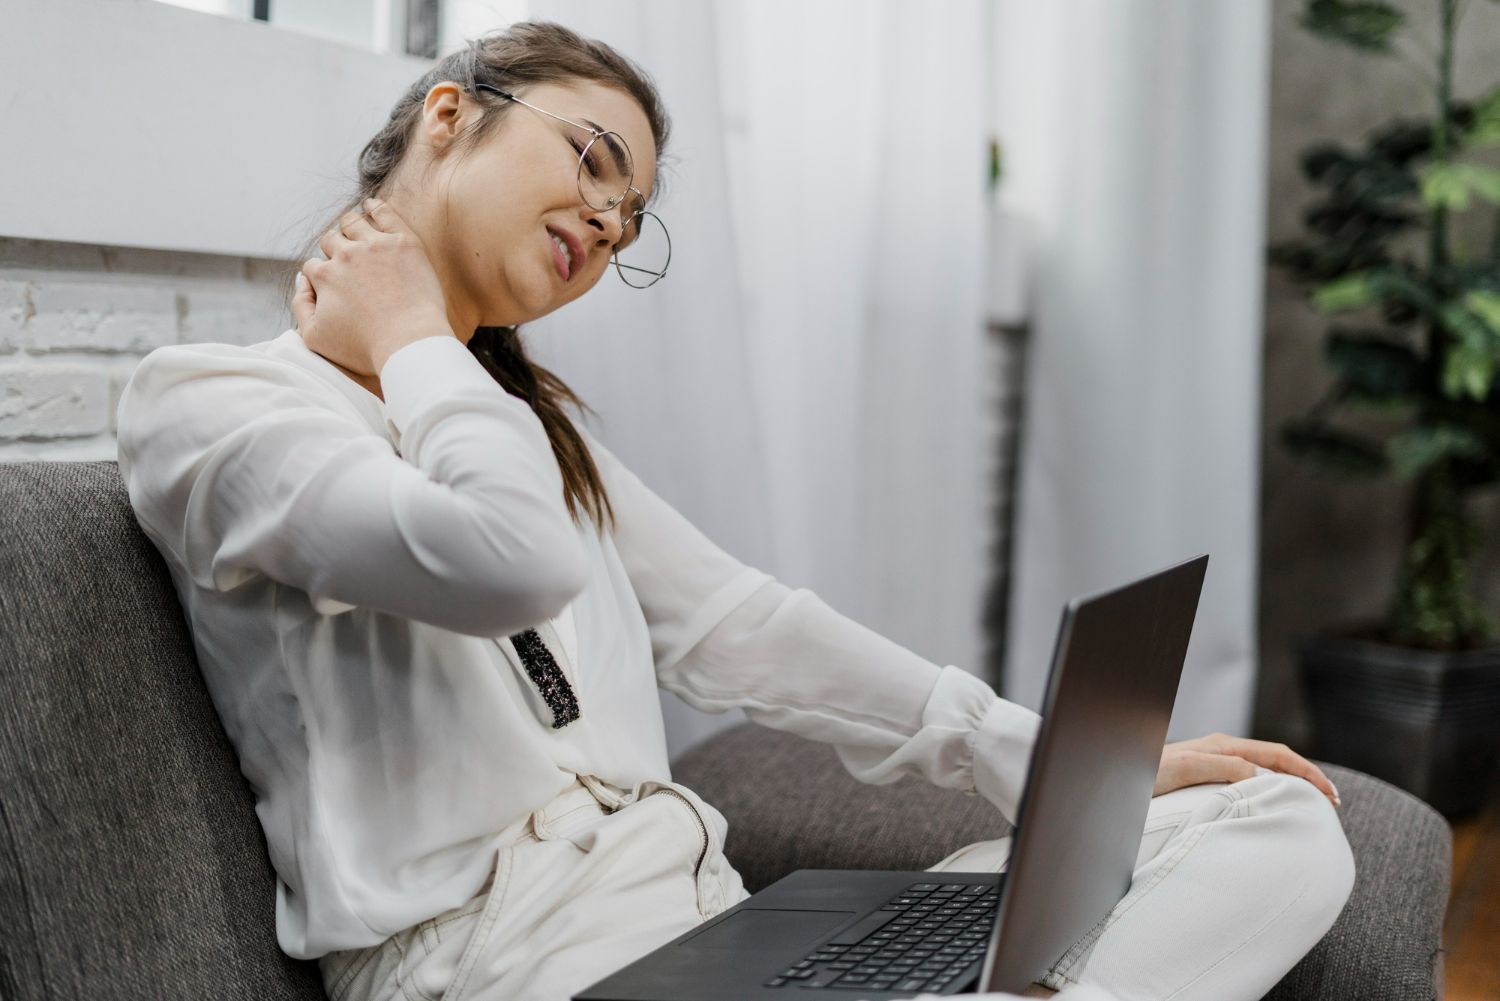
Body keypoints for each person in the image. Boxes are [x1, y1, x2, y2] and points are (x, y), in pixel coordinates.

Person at [114, 20, 1354, 1001]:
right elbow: (504, 558)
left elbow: (736, 621)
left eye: (631, 215)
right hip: (506, 967)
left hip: (711, 939)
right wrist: (410, 334)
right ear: (450, 113)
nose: (608, 221)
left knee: (1275, 819)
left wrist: (1035, 757)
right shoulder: (213, 407)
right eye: (593, 161)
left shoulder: (532, 430)